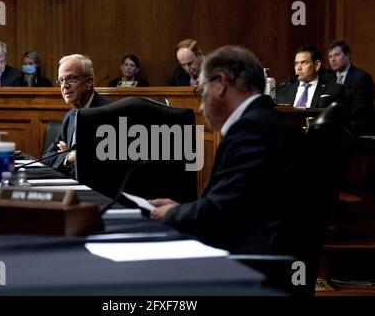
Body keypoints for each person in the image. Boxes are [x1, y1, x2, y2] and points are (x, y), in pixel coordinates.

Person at [150, 45, 303, 254]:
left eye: (201, 92)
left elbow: (220, 213)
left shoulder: (253, 130)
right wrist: (182, 209)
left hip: (247, 266)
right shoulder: (264, 122)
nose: (201, 107)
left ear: (221, 84)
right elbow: (232, 203)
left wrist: (174, 214)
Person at [42, 54, 110, 177]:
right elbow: (46, 157)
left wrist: (75, 156)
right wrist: (69, 156)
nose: (64, 86)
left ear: (89, 82)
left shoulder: (108, 113)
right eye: (61, 80)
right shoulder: (70, 116)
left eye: (71, 78)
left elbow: (100, 165)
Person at [328, 40, 374, 135]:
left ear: (347, 56)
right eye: (330, 56)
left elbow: (360, 111)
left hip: (356, 128)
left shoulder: (362, 78)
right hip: (332, 126)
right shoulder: (328, 79)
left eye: (336, 55)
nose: (333, 59)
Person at [276, 45, 346, 108]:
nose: (298, 68)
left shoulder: (334, 90)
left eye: (304, 62)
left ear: (317, 65)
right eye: (296, 63)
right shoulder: (282, 91)